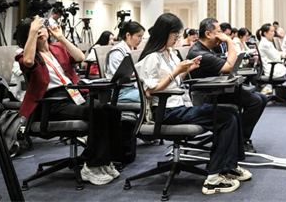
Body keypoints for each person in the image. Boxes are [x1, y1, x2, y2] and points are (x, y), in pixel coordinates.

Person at [136, 13, 250, 194]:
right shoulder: (152, 57)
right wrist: (176, 72)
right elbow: (151, 91)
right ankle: (213, 179)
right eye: (175, 34)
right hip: (165, 111)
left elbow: (174, 82)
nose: (177, 38)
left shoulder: (170, 53)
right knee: (226, 118)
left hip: (179, 106)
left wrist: (187, 69)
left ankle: (229, 166)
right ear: (165, 33)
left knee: (231, 113)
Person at [15, 17, 121, 185]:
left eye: (42, 28)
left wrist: (61, 38)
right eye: (35, 30)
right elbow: (28, 62)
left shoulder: (57, 48)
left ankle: (104, 160)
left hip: (73, 95)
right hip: (51, 103)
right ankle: (92, 166)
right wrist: (33, 32)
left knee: (112, 111)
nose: (40, 31)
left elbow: (80, 57)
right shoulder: (25, 56)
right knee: (97, 112)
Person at [187, 19, 268, 153]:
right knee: (255, 101)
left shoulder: (207, 49)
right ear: (208, 34)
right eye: (219, 32)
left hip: (218, 88)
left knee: (262, 98)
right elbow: (230, 66)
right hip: (209, 94)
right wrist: (229, 41)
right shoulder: (199, 53)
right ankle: (240, 141)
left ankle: (239, 138)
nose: (222, 35)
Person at [105, 21, 145, 103]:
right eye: (139, 37)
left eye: (142, 37)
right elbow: (120, 76)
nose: (140, 40)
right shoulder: (117, 52)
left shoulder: (132, 49)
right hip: (120, 91)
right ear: (128, 35)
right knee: (151, 95)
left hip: (132, 88)